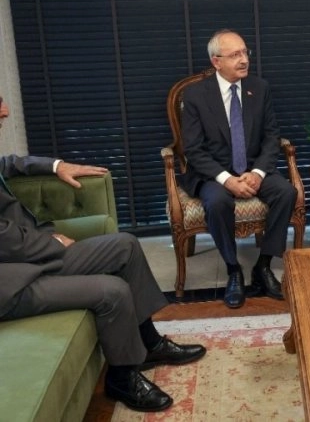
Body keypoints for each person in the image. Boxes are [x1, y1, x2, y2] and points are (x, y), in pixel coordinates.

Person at [0, 96, 206, 412]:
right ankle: (121, 378)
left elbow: (7, 163)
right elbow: (5, 241)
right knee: (113, 291)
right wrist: (54, 243)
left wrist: (56, 165)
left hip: (30, 257)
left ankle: (149, 343)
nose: (5, 111)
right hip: (12, 282)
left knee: (125, 245)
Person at [180, 29, 296, 308]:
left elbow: (271, 136)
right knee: (217, 202)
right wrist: (227, 180)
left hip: (253, 167)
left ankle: (263, 266)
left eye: (245, 52)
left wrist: (258, 173)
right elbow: (193, 149)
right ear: (216, 62)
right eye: (235, 55)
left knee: (286, 192)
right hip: (213, 173)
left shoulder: (259, 88)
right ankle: (233, 269)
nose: (244, 60)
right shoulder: (195, 95)